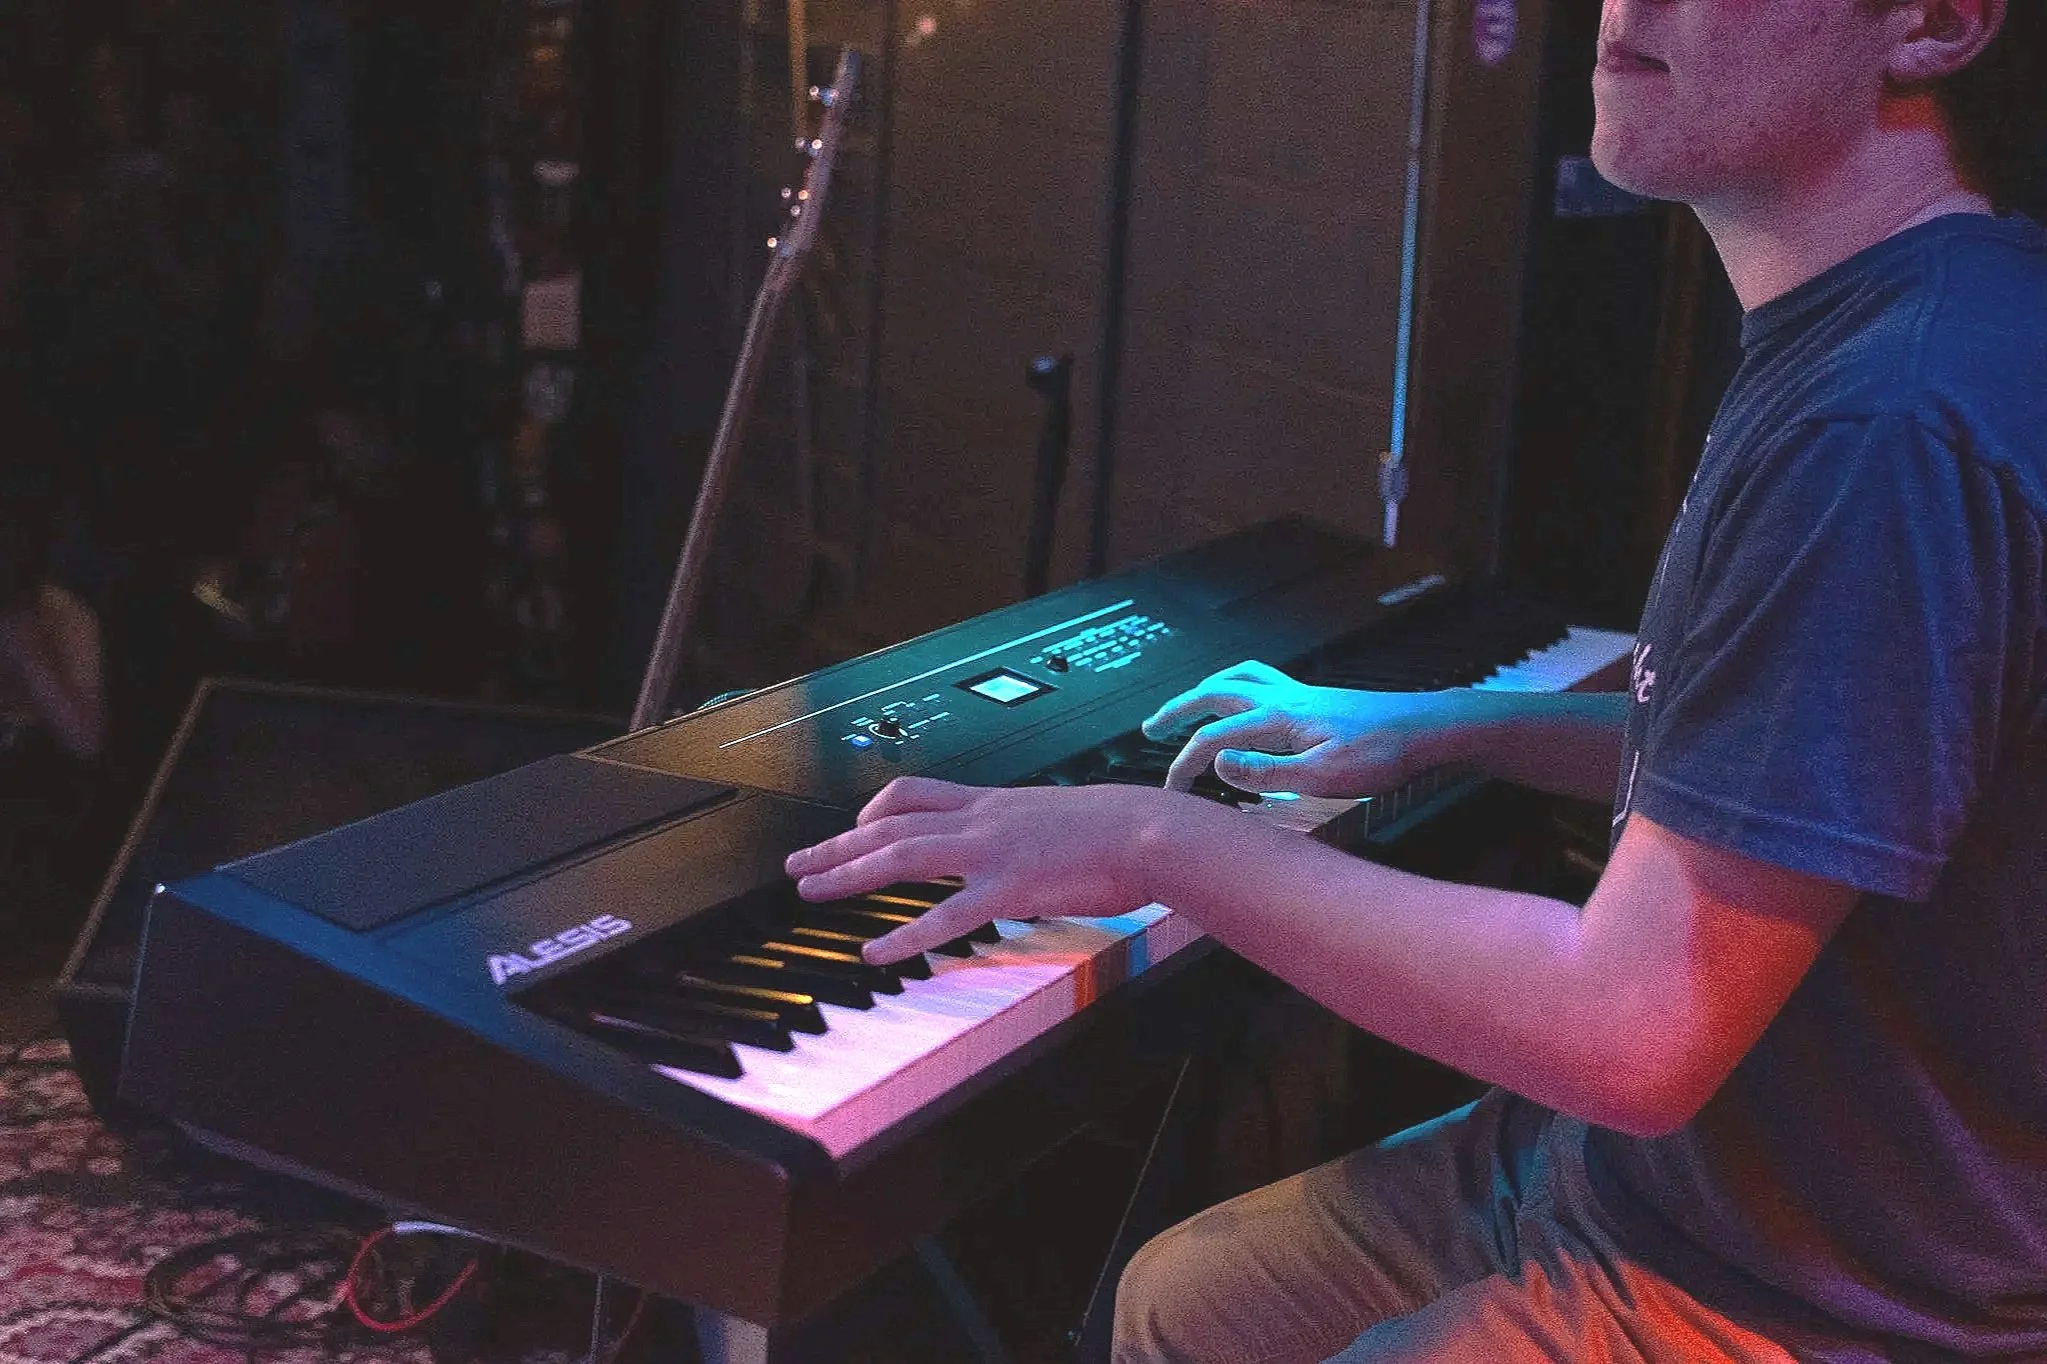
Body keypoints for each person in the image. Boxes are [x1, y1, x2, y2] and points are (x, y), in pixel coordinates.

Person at [784, 0, 2047, 1357]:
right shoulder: (1915, 311)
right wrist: (1454, 723)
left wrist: (1159, 840)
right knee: (1178, 1300)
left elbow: (1627, 1032)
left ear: (1933, 24)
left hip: (1813, 1292)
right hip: (1669, 1185)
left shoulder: (1888, 418)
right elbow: (1791, 756)